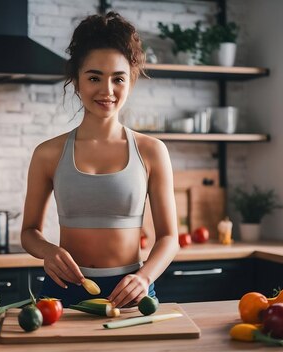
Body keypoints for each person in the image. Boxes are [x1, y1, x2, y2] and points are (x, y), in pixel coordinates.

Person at [21, 12, 179, 308]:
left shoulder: (152, 151)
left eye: (118, 79)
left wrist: (144, 278)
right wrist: (48, 252)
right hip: (62, 291)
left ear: (130, 82)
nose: (106, 91)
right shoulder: (47, 153)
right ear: (77, 81)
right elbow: (29, 232)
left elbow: (170, 238)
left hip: (132, 292)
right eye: (94, 77)